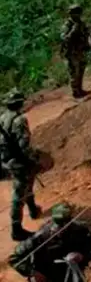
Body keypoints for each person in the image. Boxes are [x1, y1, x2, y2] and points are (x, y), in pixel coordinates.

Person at [10, 203, 91, 282]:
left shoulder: (80, 231)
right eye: (58, 228)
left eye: (65, 227)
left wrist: (81, 256)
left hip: (72, 276)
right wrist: (32, 273)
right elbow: (15, 259)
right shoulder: (41, 237)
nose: (60, 231)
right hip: (48, 277)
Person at [0, 88, 41, 241]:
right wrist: (34, 159)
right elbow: (24, 146)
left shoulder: (2, 118)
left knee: (27, 183)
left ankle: (33, 209)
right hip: (18, 160)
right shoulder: (19, 120)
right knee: (19, 192)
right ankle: (16, 229)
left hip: (7, 159)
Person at [61, 4, 90, 99]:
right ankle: (76, 93)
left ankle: (80, 89)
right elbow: (65, 39)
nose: (78, 15)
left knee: (81, 70)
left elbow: (86, 33)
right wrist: (73, 31)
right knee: (74, 72)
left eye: (79, 12)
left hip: (80, 50)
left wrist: (87, 44)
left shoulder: (81, 23)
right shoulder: (67, 25)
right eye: (76, 13)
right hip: (71, 53)